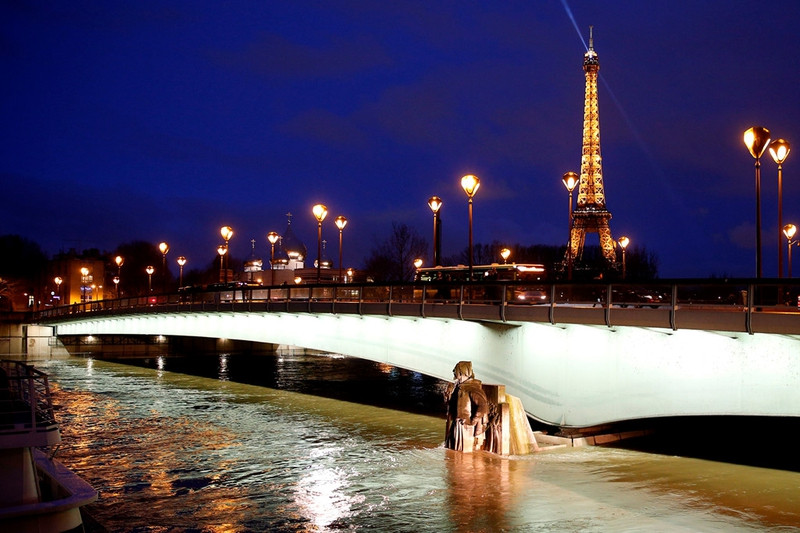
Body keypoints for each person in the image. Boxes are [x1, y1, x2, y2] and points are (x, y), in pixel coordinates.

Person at [444, 361, 489, 452]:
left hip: (465, 427)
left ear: (461, 372)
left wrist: (472, 421)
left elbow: (483, 407)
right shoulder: (460, 387)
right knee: (455, 454)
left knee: (463, 456)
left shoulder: (471, 388)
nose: (455, 377)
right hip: (458, 424)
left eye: (456, 373)